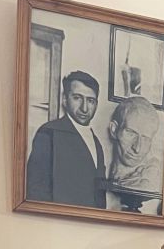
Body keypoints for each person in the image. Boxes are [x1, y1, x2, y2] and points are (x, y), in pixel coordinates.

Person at [25, 70, 107, 208]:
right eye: (77, 98)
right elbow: (35, 190)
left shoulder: (97, 143)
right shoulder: (49, 132)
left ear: (96, 104)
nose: (84, 108)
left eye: (90, 101)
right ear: (64, 99)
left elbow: (99, 196)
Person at [107, 96, 163, 198]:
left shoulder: (151, 176)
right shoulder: (100, 163)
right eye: (131, 133)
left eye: (145, 138)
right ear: (114, 130)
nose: (137, 148)